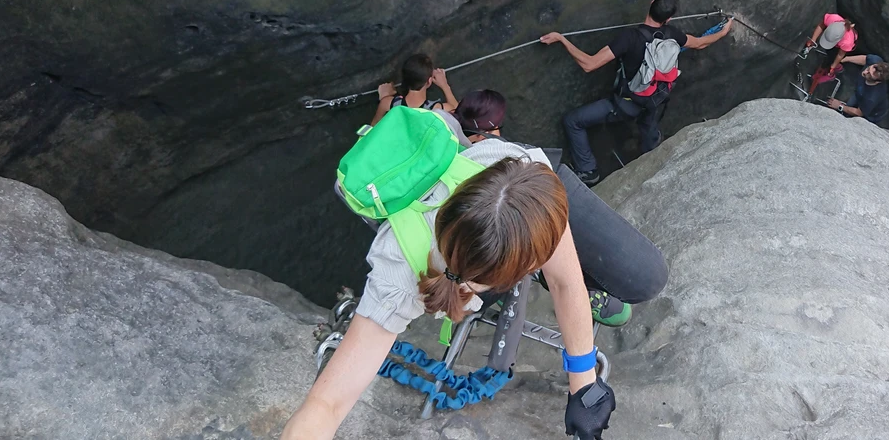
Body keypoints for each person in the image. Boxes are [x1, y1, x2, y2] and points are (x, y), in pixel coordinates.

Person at [285, 136, 667, 440]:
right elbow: (327, 404)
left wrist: (583, 383)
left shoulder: (520, 169)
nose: (552, 261)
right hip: (474, 257)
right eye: (538, 262)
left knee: (645, 277)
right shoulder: (397, 275)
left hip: (517, 192)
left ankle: (545, 273)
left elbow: (565, 279)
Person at [541, 0, 733, 185]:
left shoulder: (629, 38)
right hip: (655, 100)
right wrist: (723, 32)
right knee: (649, 131)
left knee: (573, 121)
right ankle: (655, 151)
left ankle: (588, 170)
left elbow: (589, 64)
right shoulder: (673, 34)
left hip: (626, 105)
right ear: (668, 19)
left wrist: (561, 39)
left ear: (651, 4)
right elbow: (700, 43)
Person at [370, 53, 459, 126]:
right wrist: (445, 85)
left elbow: (373, 128)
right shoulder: (436, 109)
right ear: (429, 81)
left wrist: (385, 97)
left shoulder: (387, 104)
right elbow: (458, 112)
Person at [827, 56, 889, 126]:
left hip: (871, 112)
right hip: (859, 93)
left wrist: (840, 106)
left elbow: (859, 113)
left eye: (869, 75)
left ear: (877, 82)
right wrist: (845, 59)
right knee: (850, 104)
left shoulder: (871, 98)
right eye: (868, 68)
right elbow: (865, 59)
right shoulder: (875, 61)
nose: (865, 72)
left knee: (855, 119)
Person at [804, 14, 858, 90]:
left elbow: (840, 55)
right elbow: (821, 25)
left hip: (842, 48)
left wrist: (832, 67)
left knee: (832, 58)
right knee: (829, 53)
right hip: (835, 44)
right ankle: (838, 66)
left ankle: (831, 75)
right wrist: (813, 40)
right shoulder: (833, 18)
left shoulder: (847, 42)